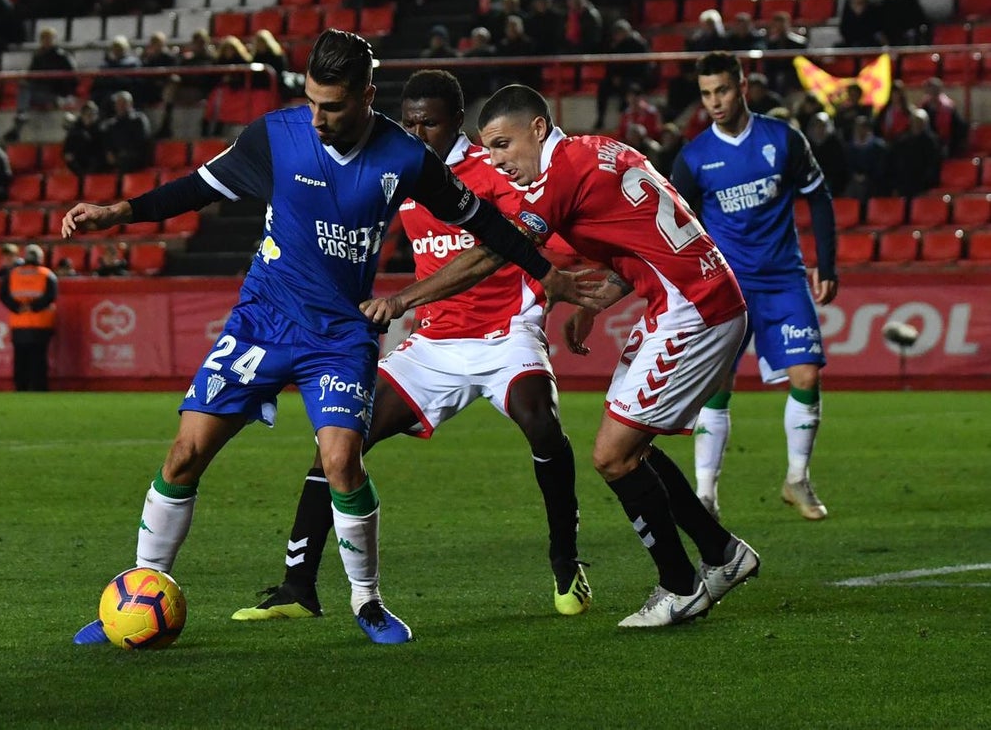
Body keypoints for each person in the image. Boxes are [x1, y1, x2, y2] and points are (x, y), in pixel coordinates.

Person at [59, 29, 603, 647]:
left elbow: (486, 224)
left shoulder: (404, 157)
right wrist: (119, 213)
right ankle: (141, 589)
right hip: (264, 320)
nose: (318, 119)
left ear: (367, 96)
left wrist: (546, 275)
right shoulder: (276, 135)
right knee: (185, 454)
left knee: (343, 461)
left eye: (333, 106)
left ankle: (367, 601)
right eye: (312, 102)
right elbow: (198, 188)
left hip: (340, 334)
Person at [232, 69, 589, 623]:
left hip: (506, 333)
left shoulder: (493, 171)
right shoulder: (399, 172)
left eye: (431, 123)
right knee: (340, 443)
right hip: (435, 343)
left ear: (458, 122)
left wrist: (583, 298)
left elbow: (549, 240)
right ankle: (297, 587)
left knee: (541, 421)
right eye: (410, 123)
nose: (418, 133)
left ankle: (566, 563)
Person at [402, 82, 756, 628]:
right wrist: (604, 295)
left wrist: (402, 300)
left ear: (538, 128)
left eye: (503, 145)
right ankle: (721, 553)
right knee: (632, 445)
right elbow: (642, 233)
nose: (496, 161)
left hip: (695, 309)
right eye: (488, 149)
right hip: (683, 297)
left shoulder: (556, 178)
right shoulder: (600, 149)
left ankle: (680, 586)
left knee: (613, 457)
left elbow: (494, 253)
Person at [670, 51, 838, 522]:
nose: (714, 101)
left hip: (784, 278)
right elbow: (674, 224)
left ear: (742, 87)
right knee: (717, 386)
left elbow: (819, 199)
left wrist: (827, 265)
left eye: (722, 90)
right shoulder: (694, 157)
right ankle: (706, 495)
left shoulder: (782, 139)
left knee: (807, 376)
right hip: (728, 285)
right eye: (706, 94)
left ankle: (797, 478)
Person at [0, 244, 57, 392]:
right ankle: (39, 388)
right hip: (41, 323)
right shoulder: (46, 274)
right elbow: (51, 296)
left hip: (18, 323)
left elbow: (3, 295)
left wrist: (18, 307)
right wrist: (33, 307)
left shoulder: (13, 274)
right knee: (39, 360)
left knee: (20, 360)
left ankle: (21, 389)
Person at [4, 26, 78, 143]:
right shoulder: (38, 56)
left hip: (56, 94)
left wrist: (65, 96)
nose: (46, 41)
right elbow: (31, 76)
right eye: (44, 38)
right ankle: (21, 115)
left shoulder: (63, 57)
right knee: (24, 88)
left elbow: (73, 78)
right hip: (40, 92)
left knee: (27, 91)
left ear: (54, 39)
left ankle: (20, 119)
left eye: (49, 38)